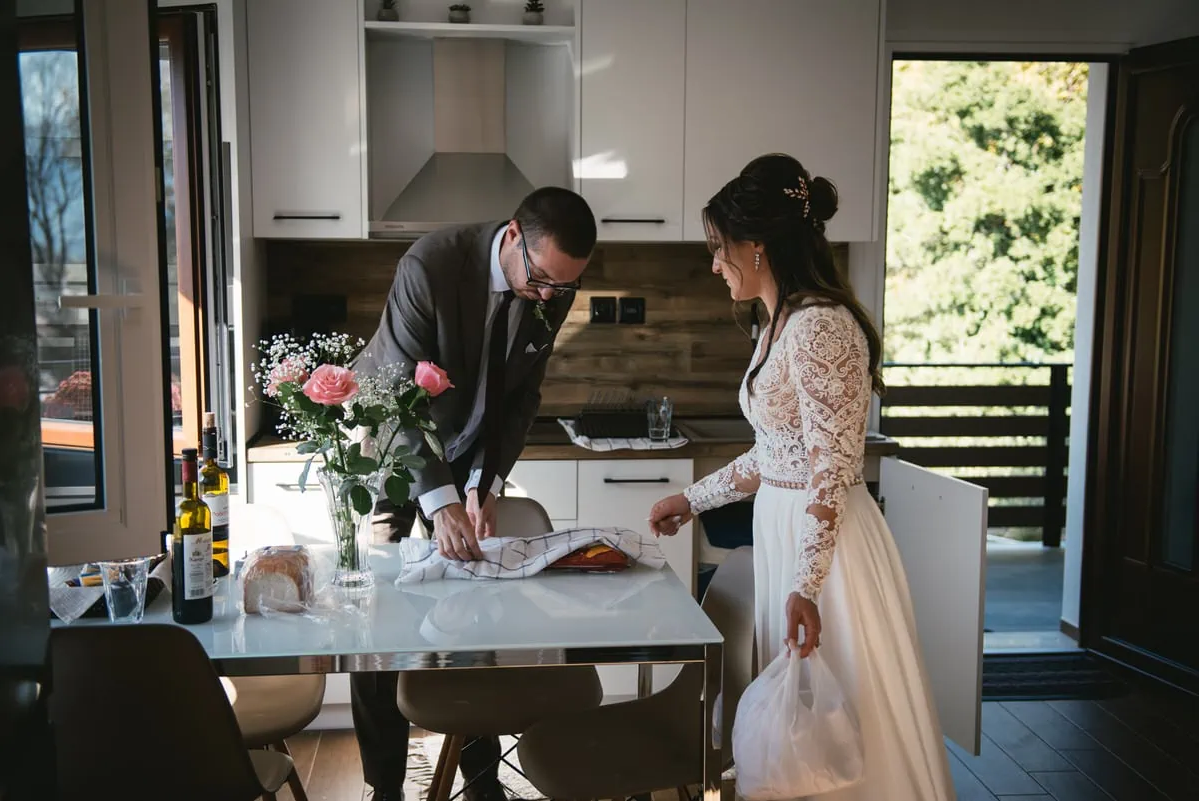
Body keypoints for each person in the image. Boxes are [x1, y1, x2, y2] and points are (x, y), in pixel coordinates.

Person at [648, 154, 955, 801]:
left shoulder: (820, 326)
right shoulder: (776, 322)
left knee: (846, 712)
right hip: (792, 534)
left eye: (719, 248)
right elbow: (776, 454)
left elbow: (830, 474)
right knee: (802, 722)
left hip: (831, 553)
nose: (714, 264)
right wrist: (693, 499)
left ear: (756, 244)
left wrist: (808, 585)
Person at [350, 187, 597, 801]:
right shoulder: (428, 267)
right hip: (392, 448)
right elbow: (394, 394)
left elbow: (521, 399)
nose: (548, 297)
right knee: (374, 624)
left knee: (473, 606)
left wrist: (485, 481)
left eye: (561, 289)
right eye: (541, 279)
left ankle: (479, 776)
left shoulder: (551, 286)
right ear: (514, 236)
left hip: (468, 449)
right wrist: (440, 501)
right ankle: (385, 786)